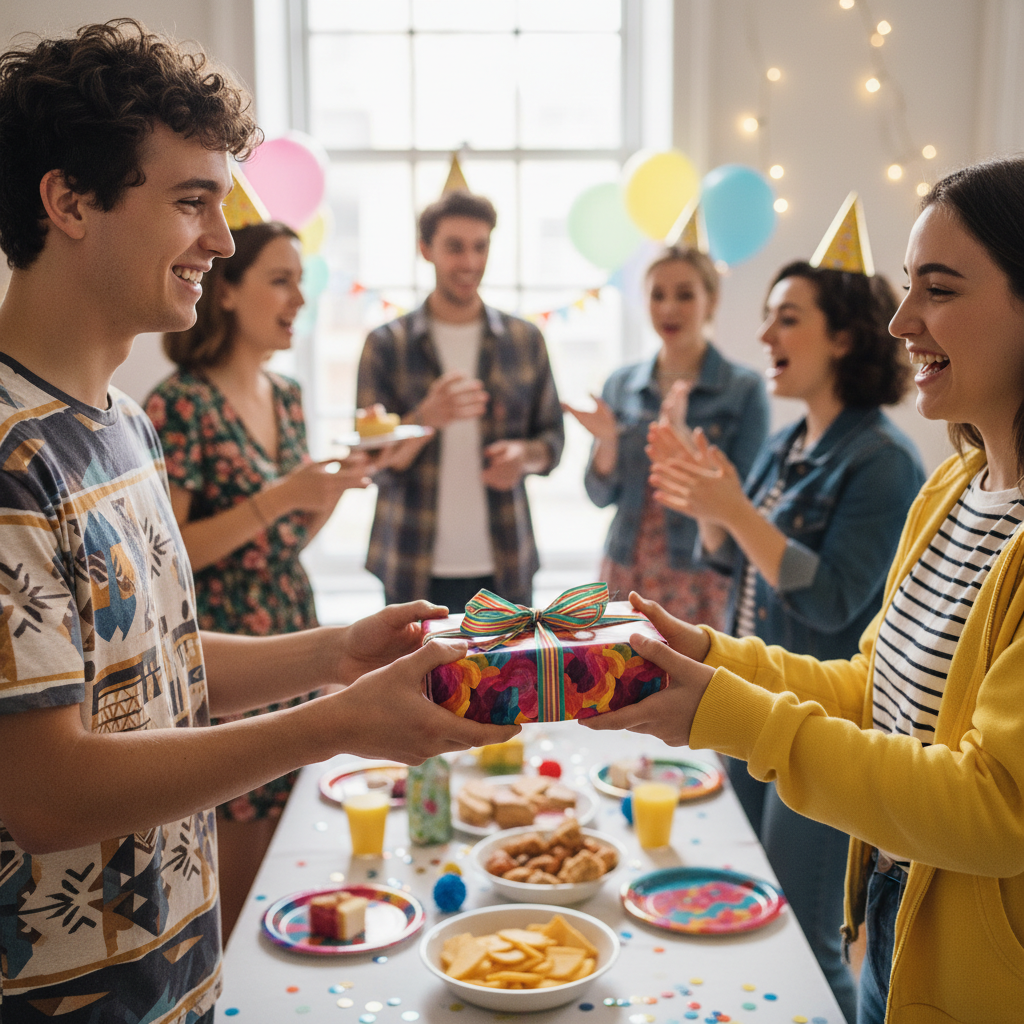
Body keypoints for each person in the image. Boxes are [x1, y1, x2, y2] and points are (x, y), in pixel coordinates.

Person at [0, 21, 519, 1022]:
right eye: (191, 201)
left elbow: (161, 662)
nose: (224, 240)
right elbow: (44, 790)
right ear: (68, 201)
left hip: (170, 975)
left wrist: (335, 654)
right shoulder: (11, 455)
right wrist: (337, 723)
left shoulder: (119, 425)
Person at [583, 156, 1024, 1023]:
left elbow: (994, 804)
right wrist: (708, 654)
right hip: (897, 900)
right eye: (905, 288)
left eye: (937, 288)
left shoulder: (888, 464)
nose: (904, 319)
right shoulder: (949, 491)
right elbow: (872, 685)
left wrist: (728, 709)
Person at [646, 250, 925, 1021]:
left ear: (843, 339)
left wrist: (733, 508)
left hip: (816, 719)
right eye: (768, 314)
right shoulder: (789, 441)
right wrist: (707, 501)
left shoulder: (883, 461)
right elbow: (735, 556)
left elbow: (834, 600)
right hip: (753, 698)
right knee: (754, 898)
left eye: (787, 316)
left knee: (806, 927)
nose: (764, 330)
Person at [144, 220, 370, 939]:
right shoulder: (180, 402)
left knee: (299, 850)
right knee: (240, 878)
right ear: (229, 291)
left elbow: (283, 545)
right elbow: (170, 559)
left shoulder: (291, 395)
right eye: (280, 280)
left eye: (300, 281)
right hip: (224, 651)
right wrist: (281, 496)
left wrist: (329, 493)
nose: (298, 297)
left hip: (292, 630)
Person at [356, 188, 565, 612]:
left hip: (506, 561)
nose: (469, 262)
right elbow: (372, 462)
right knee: (417, 680)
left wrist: (523, 456)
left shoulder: (525, 340)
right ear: (426, 249)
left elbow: (552, 442)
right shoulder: (386, 345)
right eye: (454, 247)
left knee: (509, 680)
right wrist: (425, 418)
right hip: (409, 562)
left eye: (480, 247)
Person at [562, 245, 769, 630]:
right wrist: (607, 442)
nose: (669, 308)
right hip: (628, 563)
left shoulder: (743, 389)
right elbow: (600, 495)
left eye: (685, 294)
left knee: (695, 683)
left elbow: (747, 499)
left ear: (712, 301)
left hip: (701, 571)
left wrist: (683, 441)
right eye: (658, 295)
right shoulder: (622, 384)